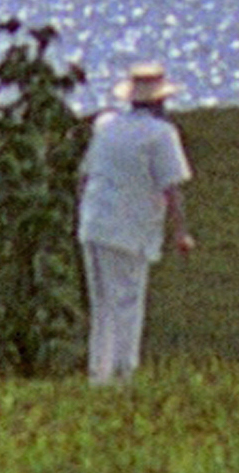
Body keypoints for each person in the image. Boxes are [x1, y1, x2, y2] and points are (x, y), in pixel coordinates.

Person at [74, 61, 194, 382]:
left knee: (103, 304)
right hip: (128, 229)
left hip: (93, 223)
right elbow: (172, 187)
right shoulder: (161, 134)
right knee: (127, 302)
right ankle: (122, 374)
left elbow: (85, 175)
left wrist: (84, 212)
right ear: (160, 101)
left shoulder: (106, 126)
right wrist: (181, 232)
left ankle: (99, 375)